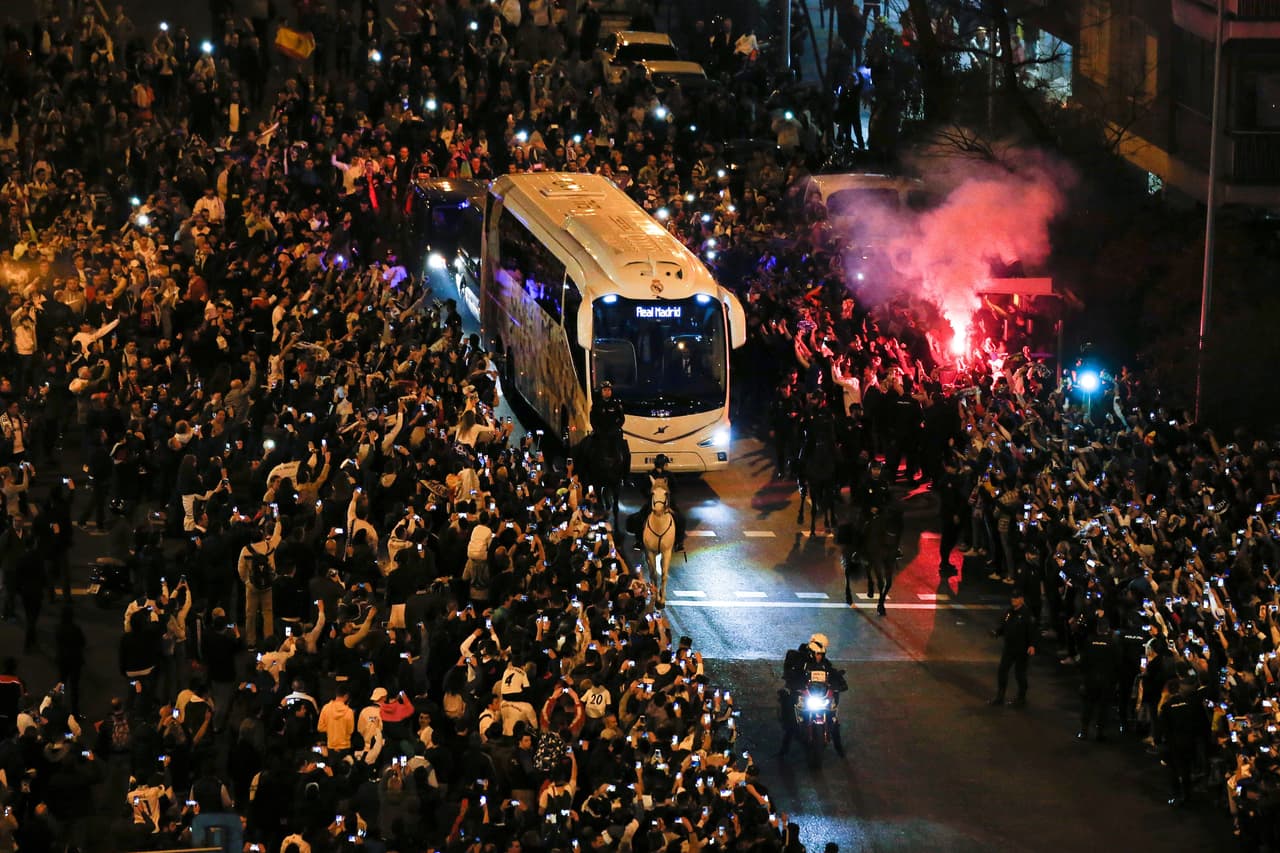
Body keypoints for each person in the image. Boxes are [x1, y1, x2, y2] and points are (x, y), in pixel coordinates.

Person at [989, 590, 1036, 707]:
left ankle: (1021, 698)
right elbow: (1004, 625)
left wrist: (1032, 645)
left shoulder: (1027, 614)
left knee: (1020, 674)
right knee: (1002, 671)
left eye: (1016, 598)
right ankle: (1000, 696)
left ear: (1022, 599)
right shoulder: (1010, 612)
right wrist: (997, 632)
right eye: (1012, 598)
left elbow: (1032, 631)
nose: (1013, 600)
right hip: (1009, 647)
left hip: (1021, 649)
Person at [1077, 616, 1119, 741]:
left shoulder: (1090, 641)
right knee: (1104, 707)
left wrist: (1084, 677)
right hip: (1107, 681)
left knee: (1088, 705)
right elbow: (1118, 662)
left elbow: (1083, 661)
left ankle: (1084, 731)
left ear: (1097, 629)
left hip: (1091, 679)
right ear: (1108, 629)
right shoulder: (1113, 644)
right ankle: (1100, 733)